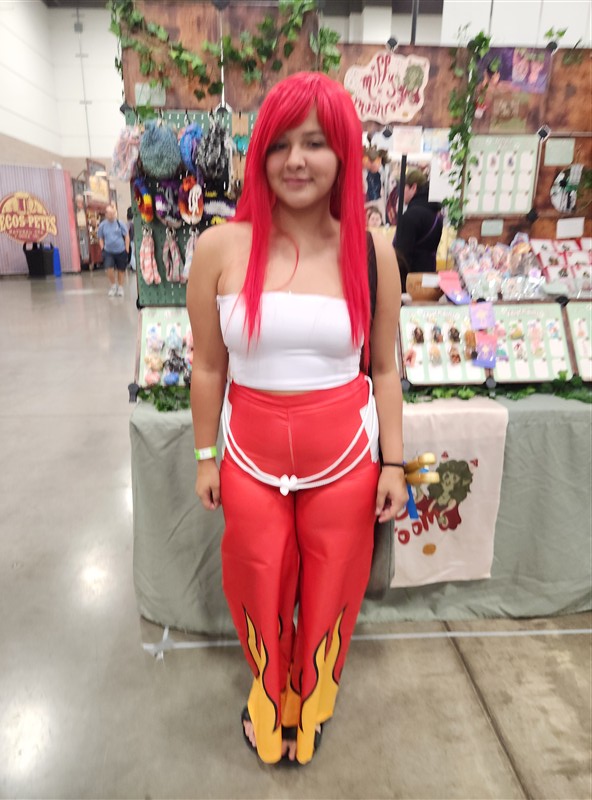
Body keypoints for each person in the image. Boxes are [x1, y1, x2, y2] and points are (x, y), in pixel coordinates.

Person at [186, 72, 407, 766]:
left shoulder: (372, 252)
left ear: (343, 152)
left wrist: (394, 463)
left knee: (335, 584)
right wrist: (204, 455)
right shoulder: (218, 248)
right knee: (257, 578)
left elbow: (385, 369)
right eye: (280, 144)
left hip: (345, 457)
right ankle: (267, 695)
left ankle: (310, 703)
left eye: (315, 142)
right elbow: (208, 367)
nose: (296, 160)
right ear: (260, 155)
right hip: (247, 455)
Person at [393, 168, 443, 291]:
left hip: (411, 283)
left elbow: (402, 256)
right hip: (429, 278)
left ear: (413, 188)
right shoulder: (436, 214)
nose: (400, 192)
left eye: (403, 187)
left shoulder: (411, 216)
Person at [97, 204, 129, 297]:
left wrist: (127, 249)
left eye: (113, 213)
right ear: (106, 214)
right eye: (109, 213)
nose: (111, 215)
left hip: (121, 250)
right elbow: (100, 238)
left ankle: (120, 287)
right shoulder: (102, 225)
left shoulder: (120, 223)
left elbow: (126, 236)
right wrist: (102, 248)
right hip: (108, 251)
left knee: (121, 270)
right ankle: (113, 286)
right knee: (109, 268)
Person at [126, 206, 136, 272]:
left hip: (131, 241)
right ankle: (134, 266)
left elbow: (126, 231)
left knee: (131, 254)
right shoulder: (133, 223)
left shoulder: (128, 223)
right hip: (133, 240)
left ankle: (134, 267)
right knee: (133, 254)